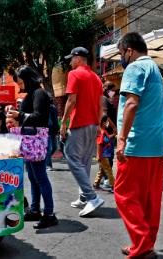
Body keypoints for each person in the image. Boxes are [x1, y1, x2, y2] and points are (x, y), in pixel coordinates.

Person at [115, 32, 163, 259]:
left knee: (124, 194)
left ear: (129, 50)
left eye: (120, 54)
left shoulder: (134, 68)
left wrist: (122, 139)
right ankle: (144, 244)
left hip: (137, 143)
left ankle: (143, 245)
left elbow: (131, 103)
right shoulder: (155, 68)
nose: (121, 59)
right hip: (155, 144)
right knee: (149, 199)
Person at [8, 65, 57, 229]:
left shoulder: (39, 93)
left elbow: (39, 117)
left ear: (28, 80)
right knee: (33, 177)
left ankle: (49, 214)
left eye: (21, 82)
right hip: (29, 142)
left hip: (35, 142)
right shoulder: (33, 94)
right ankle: (35, 209)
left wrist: (19, 115)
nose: (19, 86)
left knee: (40, 177)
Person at [60, 47, 104, 217]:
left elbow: (71, 100)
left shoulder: (74, 74)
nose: (70, 62)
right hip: (93, 124)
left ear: (78, 58)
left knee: (71, 157)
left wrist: (63, 122)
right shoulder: (96, 78)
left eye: (71, 59)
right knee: (84, 162)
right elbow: (101, 105)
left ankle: (92, 197)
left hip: (79, 123)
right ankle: (84, 197)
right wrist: (99, 125)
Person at [93, 115, 115, 192]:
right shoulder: (101, 132)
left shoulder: (104, 131)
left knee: (101, 170)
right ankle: (114, 186)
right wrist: (99, 155)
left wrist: (114, 135)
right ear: (102, 123)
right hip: (103, 155)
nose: (107, 123)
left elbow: (108, 137)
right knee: (109, 170)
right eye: (106, 122)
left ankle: (96, 184)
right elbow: (99, 144)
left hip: (105, 154)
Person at [46, 99, 59, 171]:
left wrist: (57, 128)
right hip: (46, 129)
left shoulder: (53, 108)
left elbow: (55, 119)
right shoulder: (42, 107)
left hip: (53, 130)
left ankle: (46, 159)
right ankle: (48, 165)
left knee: (54, 147)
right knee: (48, 148)